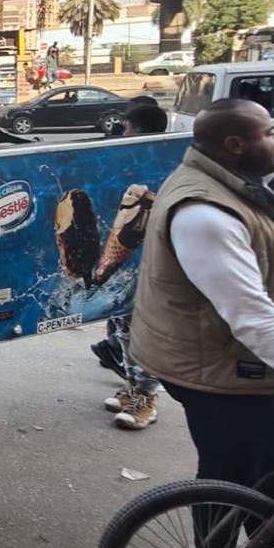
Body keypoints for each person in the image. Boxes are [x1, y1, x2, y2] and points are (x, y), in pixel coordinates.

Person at [131, 99, 274, 502]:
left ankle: (261, 541)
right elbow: (251, 314)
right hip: (222, 373)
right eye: (269, 133)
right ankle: (222, 543)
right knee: (237, 482)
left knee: (258, 477)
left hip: (233, 365)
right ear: (235, 144)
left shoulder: (229, 185)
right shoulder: (205, 213)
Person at [98, 101, 170, 430]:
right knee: (125, 330)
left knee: (145, 335)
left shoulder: (159, 163)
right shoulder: (129, 159)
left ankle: (146, 398)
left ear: (136, 128)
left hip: (151, 270)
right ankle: (132, 387)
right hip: (126, 270)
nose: (123, 132)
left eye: (127, 126)